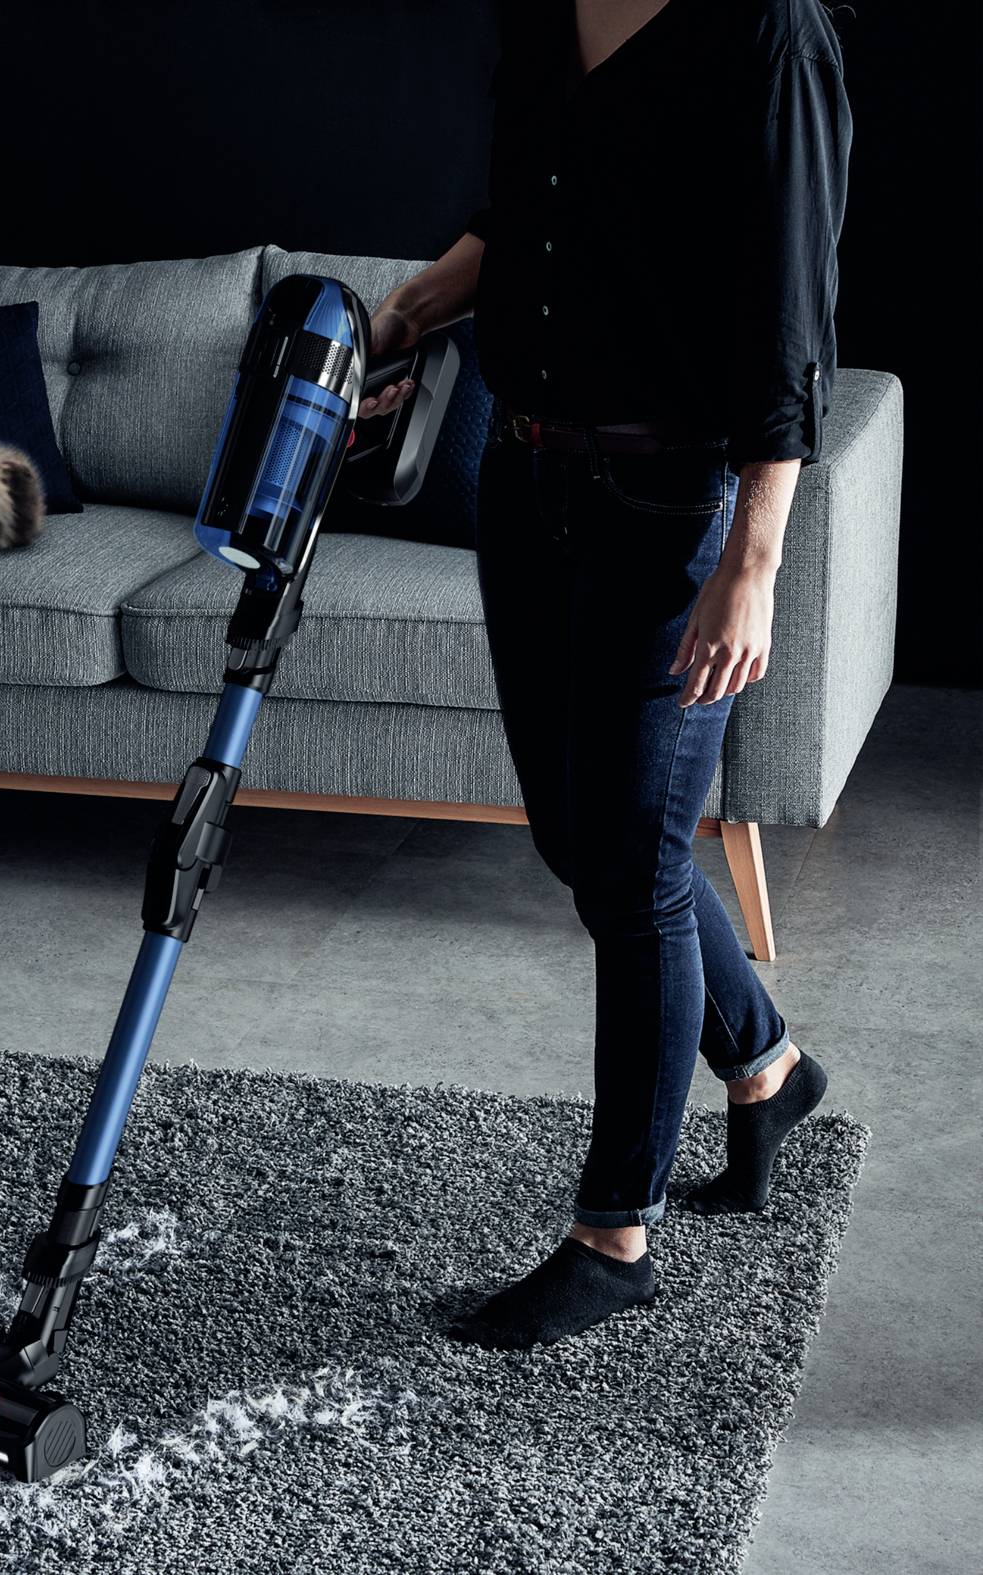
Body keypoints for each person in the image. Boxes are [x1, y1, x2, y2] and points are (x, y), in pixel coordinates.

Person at [359, 0, 852, 1348]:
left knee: (632, 871)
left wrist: (753, 562)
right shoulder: (541, 14)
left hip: (668, 501)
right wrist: (405, 312)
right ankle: (766, 1066)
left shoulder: (770, 32)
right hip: (522, 475)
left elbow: (790, 312)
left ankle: (615, 1235)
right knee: (581, 841)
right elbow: (525, 216)